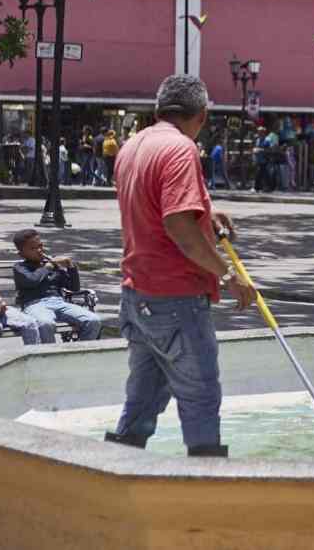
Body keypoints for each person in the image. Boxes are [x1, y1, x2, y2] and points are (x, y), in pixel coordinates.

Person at [105, 74, 255, 457]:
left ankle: (117, 470)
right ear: (201, 116)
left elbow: (156, 207)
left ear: (158, 110)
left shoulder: (133, 146)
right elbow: (176, 224)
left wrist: (205, 210)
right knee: (201, 396)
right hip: (176, 298)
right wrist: (229, 274)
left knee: (142, 399)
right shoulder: (181, 150)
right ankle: (205, 483)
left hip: (138, 294)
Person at [11, 228, 102, 342]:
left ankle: (79, 354)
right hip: (34, 305)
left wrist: (71, 266)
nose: (39, 250)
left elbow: (73, 288)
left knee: (93, 320)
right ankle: (49, 356)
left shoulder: (52, 265)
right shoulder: (20, 268)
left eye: (40, 246)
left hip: (59, 302)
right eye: (33, 248)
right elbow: (32, 280)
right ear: (21, 254)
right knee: (45, 324)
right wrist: (47, 267)